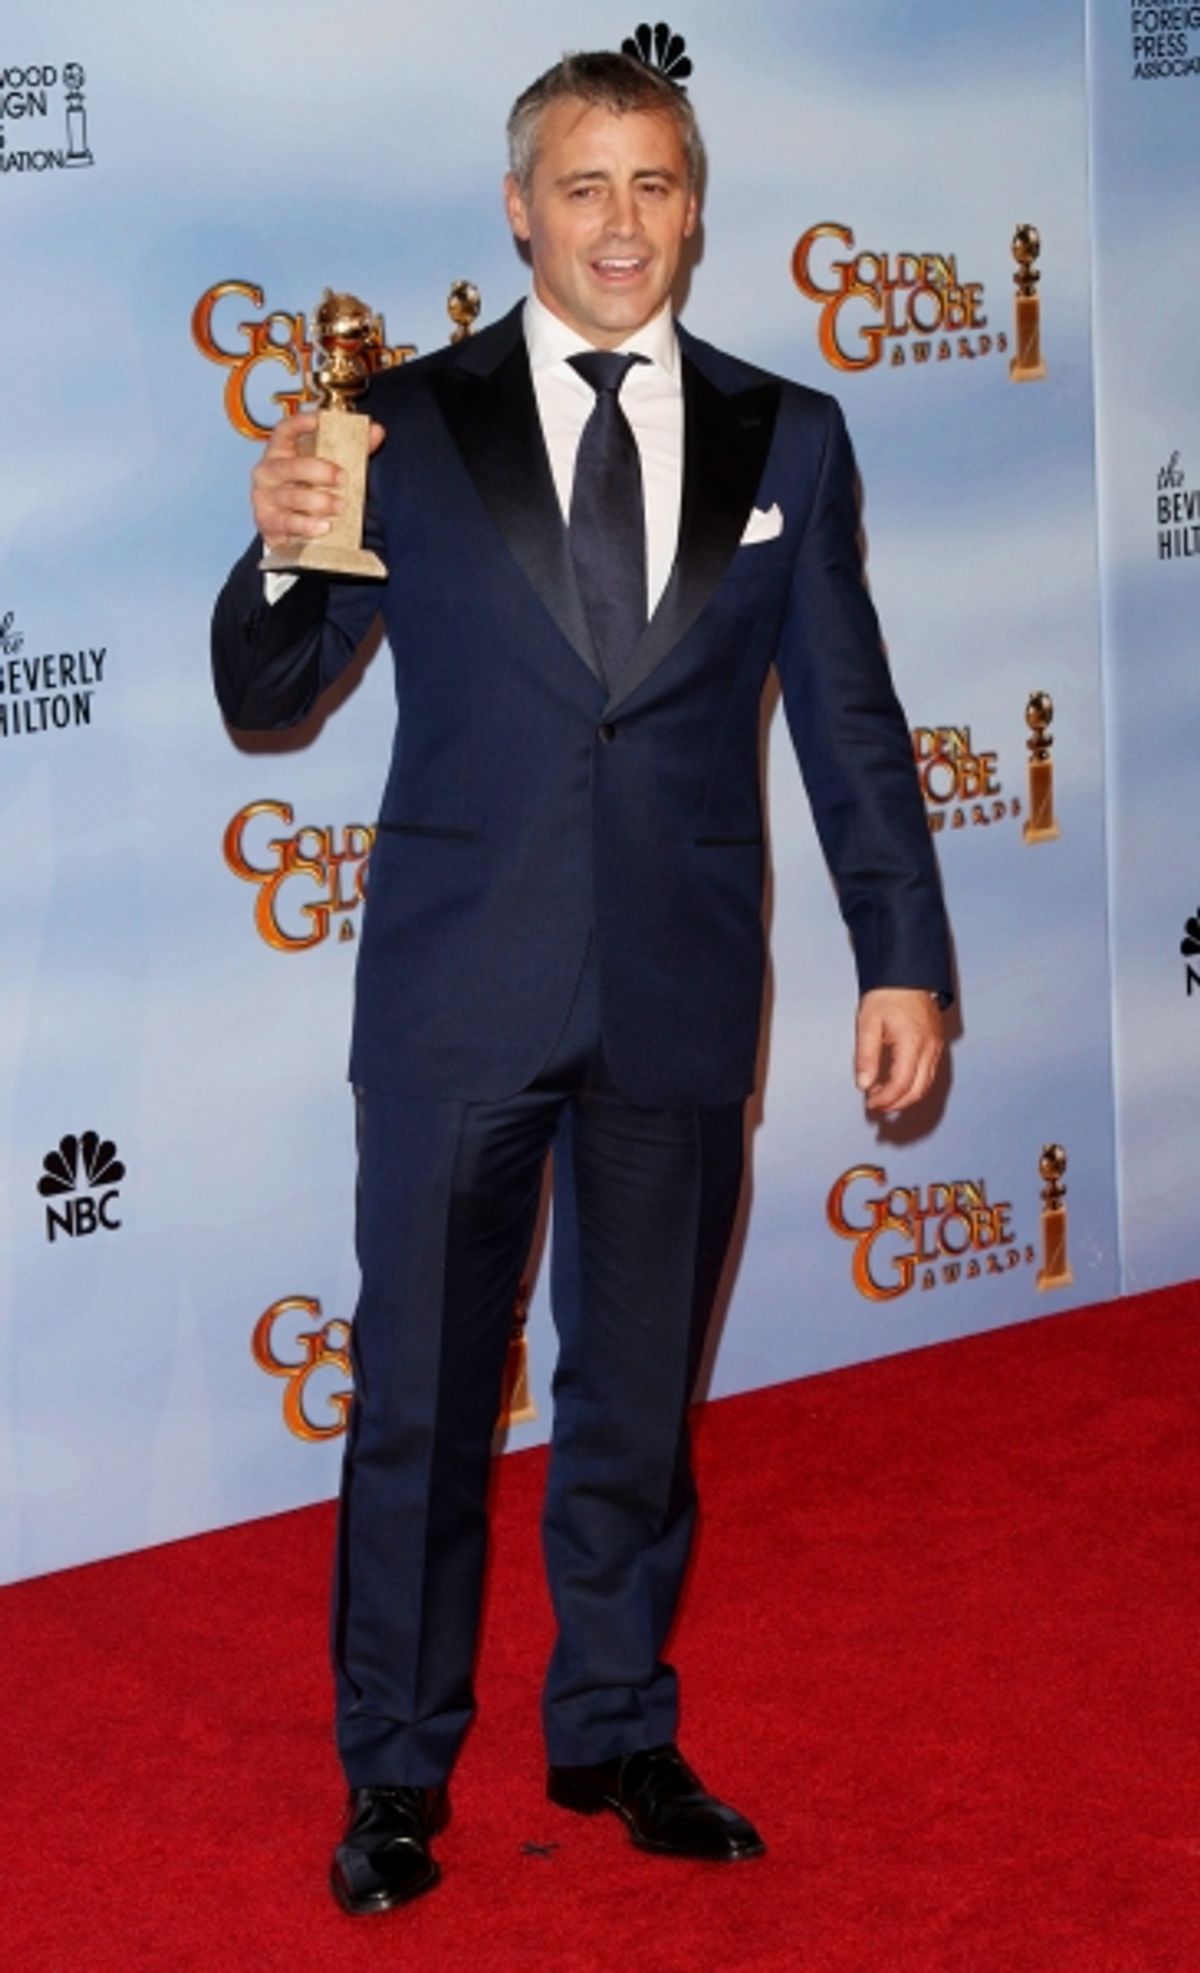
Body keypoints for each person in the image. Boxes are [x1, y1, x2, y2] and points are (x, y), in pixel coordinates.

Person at [212, 49, 951, 1916]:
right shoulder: (399, 421)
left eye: (656, 186)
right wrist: (281, 541)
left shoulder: (793, 435)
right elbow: (266, 693)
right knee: (424, 1403)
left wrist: (906, 958)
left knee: (633, 1400)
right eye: (584, 186)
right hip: (463, 993)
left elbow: (854, 728)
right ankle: (395, 1771)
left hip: (687, 993)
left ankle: (617, 1723)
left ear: (695, 208)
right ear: (521, 210)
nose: (622, 224)